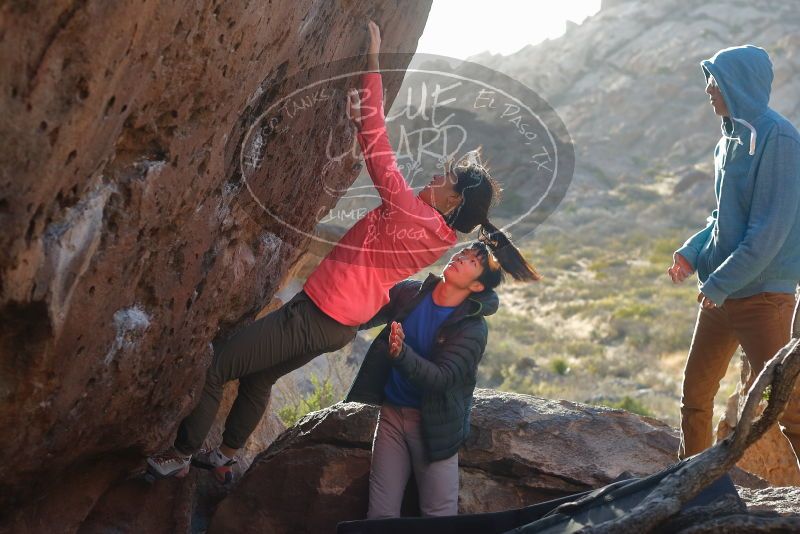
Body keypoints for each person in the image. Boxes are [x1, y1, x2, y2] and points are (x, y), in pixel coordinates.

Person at [146, 20, 539, 482]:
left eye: (444, 179)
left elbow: (378, 146)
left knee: (219, 366)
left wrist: (373, 58)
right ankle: (227, 454)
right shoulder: (439, 236)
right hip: (339, 325)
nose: (435, 177)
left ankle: (180, 456)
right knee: (259, 377)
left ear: (454, 201)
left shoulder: (413, 214)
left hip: (319, 313)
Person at [668, 45, 800, 462]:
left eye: (715, 80)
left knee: (791, 412)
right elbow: (721, 218)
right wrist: (691, 252)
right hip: (720, 294)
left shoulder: (779, 139)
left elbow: (769, 232)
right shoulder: (727, 141)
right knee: (695, 398)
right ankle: (691, 488)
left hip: (763, 298)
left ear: (738, 83)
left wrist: (720, 281)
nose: (708, 88)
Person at [347, 236, 535, 518]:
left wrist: (402, 355)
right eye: (464, 252)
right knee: (380, 515)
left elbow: (443, 379)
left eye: (472, 261)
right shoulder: (411, 293)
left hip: (434, 428)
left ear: (477, 286)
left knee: (438, 516)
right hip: (391, 417)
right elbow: (364, 312)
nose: (460, 257)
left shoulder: (472, 329)